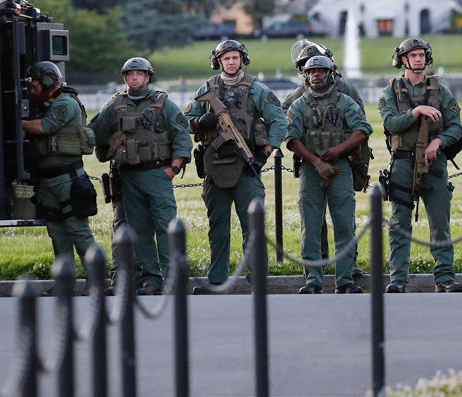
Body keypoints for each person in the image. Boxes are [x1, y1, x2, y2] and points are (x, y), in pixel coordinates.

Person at [184, 39, 287, 294]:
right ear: (218, 61)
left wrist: (266, 152)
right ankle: (217, 282)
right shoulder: (207, 88)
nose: (231, 62)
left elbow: (279, 121)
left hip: (246, 167)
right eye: (226, 58)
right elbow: (183, 121)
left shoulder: (257, 89)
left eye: (235, 58)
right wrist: (200, 121)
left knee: (253, 225)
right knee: (217, 226)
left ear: (242, 59)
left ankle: (258, 280)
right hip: (214, 167)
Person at [89, 56, 191, 295]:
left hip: (158, 173)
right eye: (130, 74)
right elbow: (93, 132)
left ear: (147, 77)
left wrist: (173, 168)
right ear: (125, 78)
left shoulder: (163, 104)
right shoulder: (115, 105)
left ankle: (173, 280)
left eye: (139, 74)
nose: (134, 78)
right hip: (128, 177)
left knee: (166, 228)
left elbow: (182, 136)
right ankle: (152, 281)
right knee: (140, 231)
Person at [378, 37, 462, 293]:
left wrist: (438, 141)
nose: (418, 59)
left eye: (421, 55)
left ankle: (445, 277)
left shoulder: (441, 91)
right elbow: (391, 124)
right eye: (412, 55)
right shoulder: (390, 91)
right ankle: (398, 279)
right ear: (403, 60)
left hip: (434, 164)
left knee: (440, 222)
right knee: (399, 223)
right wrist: (417, 112)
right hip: (403, 163)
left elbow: (457, 127)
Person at [285, 54, 372, 293]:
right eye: (312, 72)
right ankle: (312, 280)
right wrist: (314, 160)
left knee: (344, 223)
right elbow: (291, 138)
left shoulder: (344, 102)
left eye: (321, 71)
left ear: (330, 74)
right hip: (310, 170)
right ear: (306, 75)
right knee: (310, 226)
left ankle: (344, 280)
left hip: (340, 167)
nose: (316, 75)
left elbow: (363, 129)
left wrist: (339, 150)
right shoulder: (299, 104)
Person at [21, 61, 98, 266]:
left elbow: (45, 127)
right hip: (48, 181)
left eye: (34, 85)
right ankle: (66, 283)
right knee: (57, 234)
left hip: (67, 180)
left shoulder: (66, 103)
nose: (31, 90)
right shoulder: (44, 105)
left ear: (47, 81)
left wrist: (12, 122)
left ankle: (98, 281)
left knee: (78, 232)